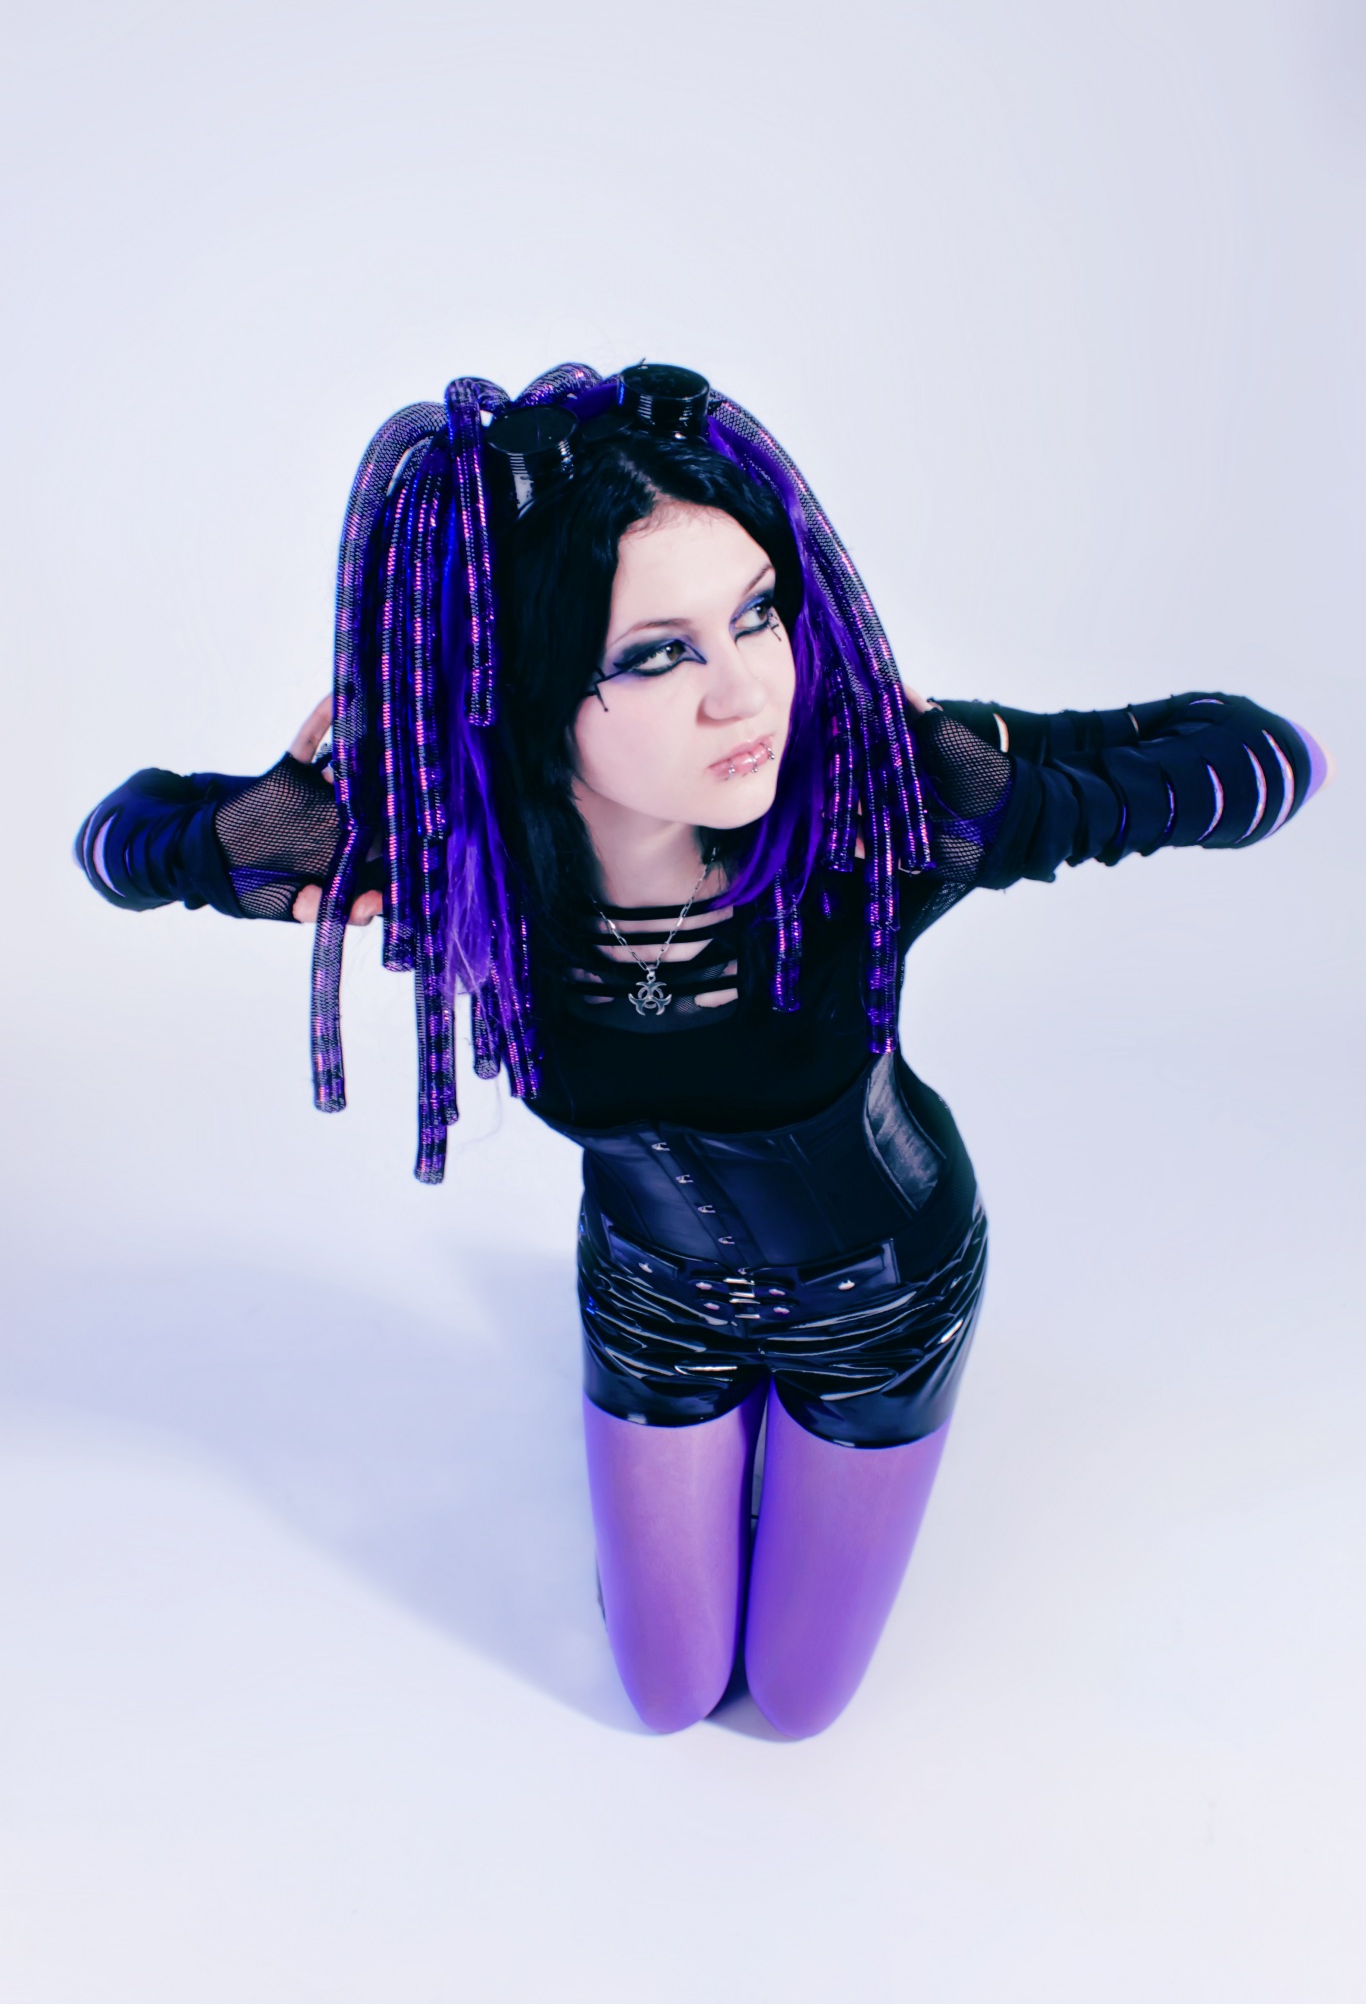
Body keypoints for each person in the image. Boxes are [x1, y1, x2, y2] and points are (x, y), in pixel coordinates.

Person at [75, 362, 1332, 1737]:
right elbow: (114, 844)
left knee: (793, 1706)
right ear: (523, 689)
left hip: (882, 1304)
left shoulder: (880, 813)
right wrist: (249, 834)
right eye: (657, 654)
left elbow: (1260, 757)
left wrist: (1002, 775)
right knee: (667, 1696)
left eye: (756, 615)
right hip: (648, 1297)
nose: (748, 695)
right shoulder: (450, 860)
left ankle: (793, 1456)